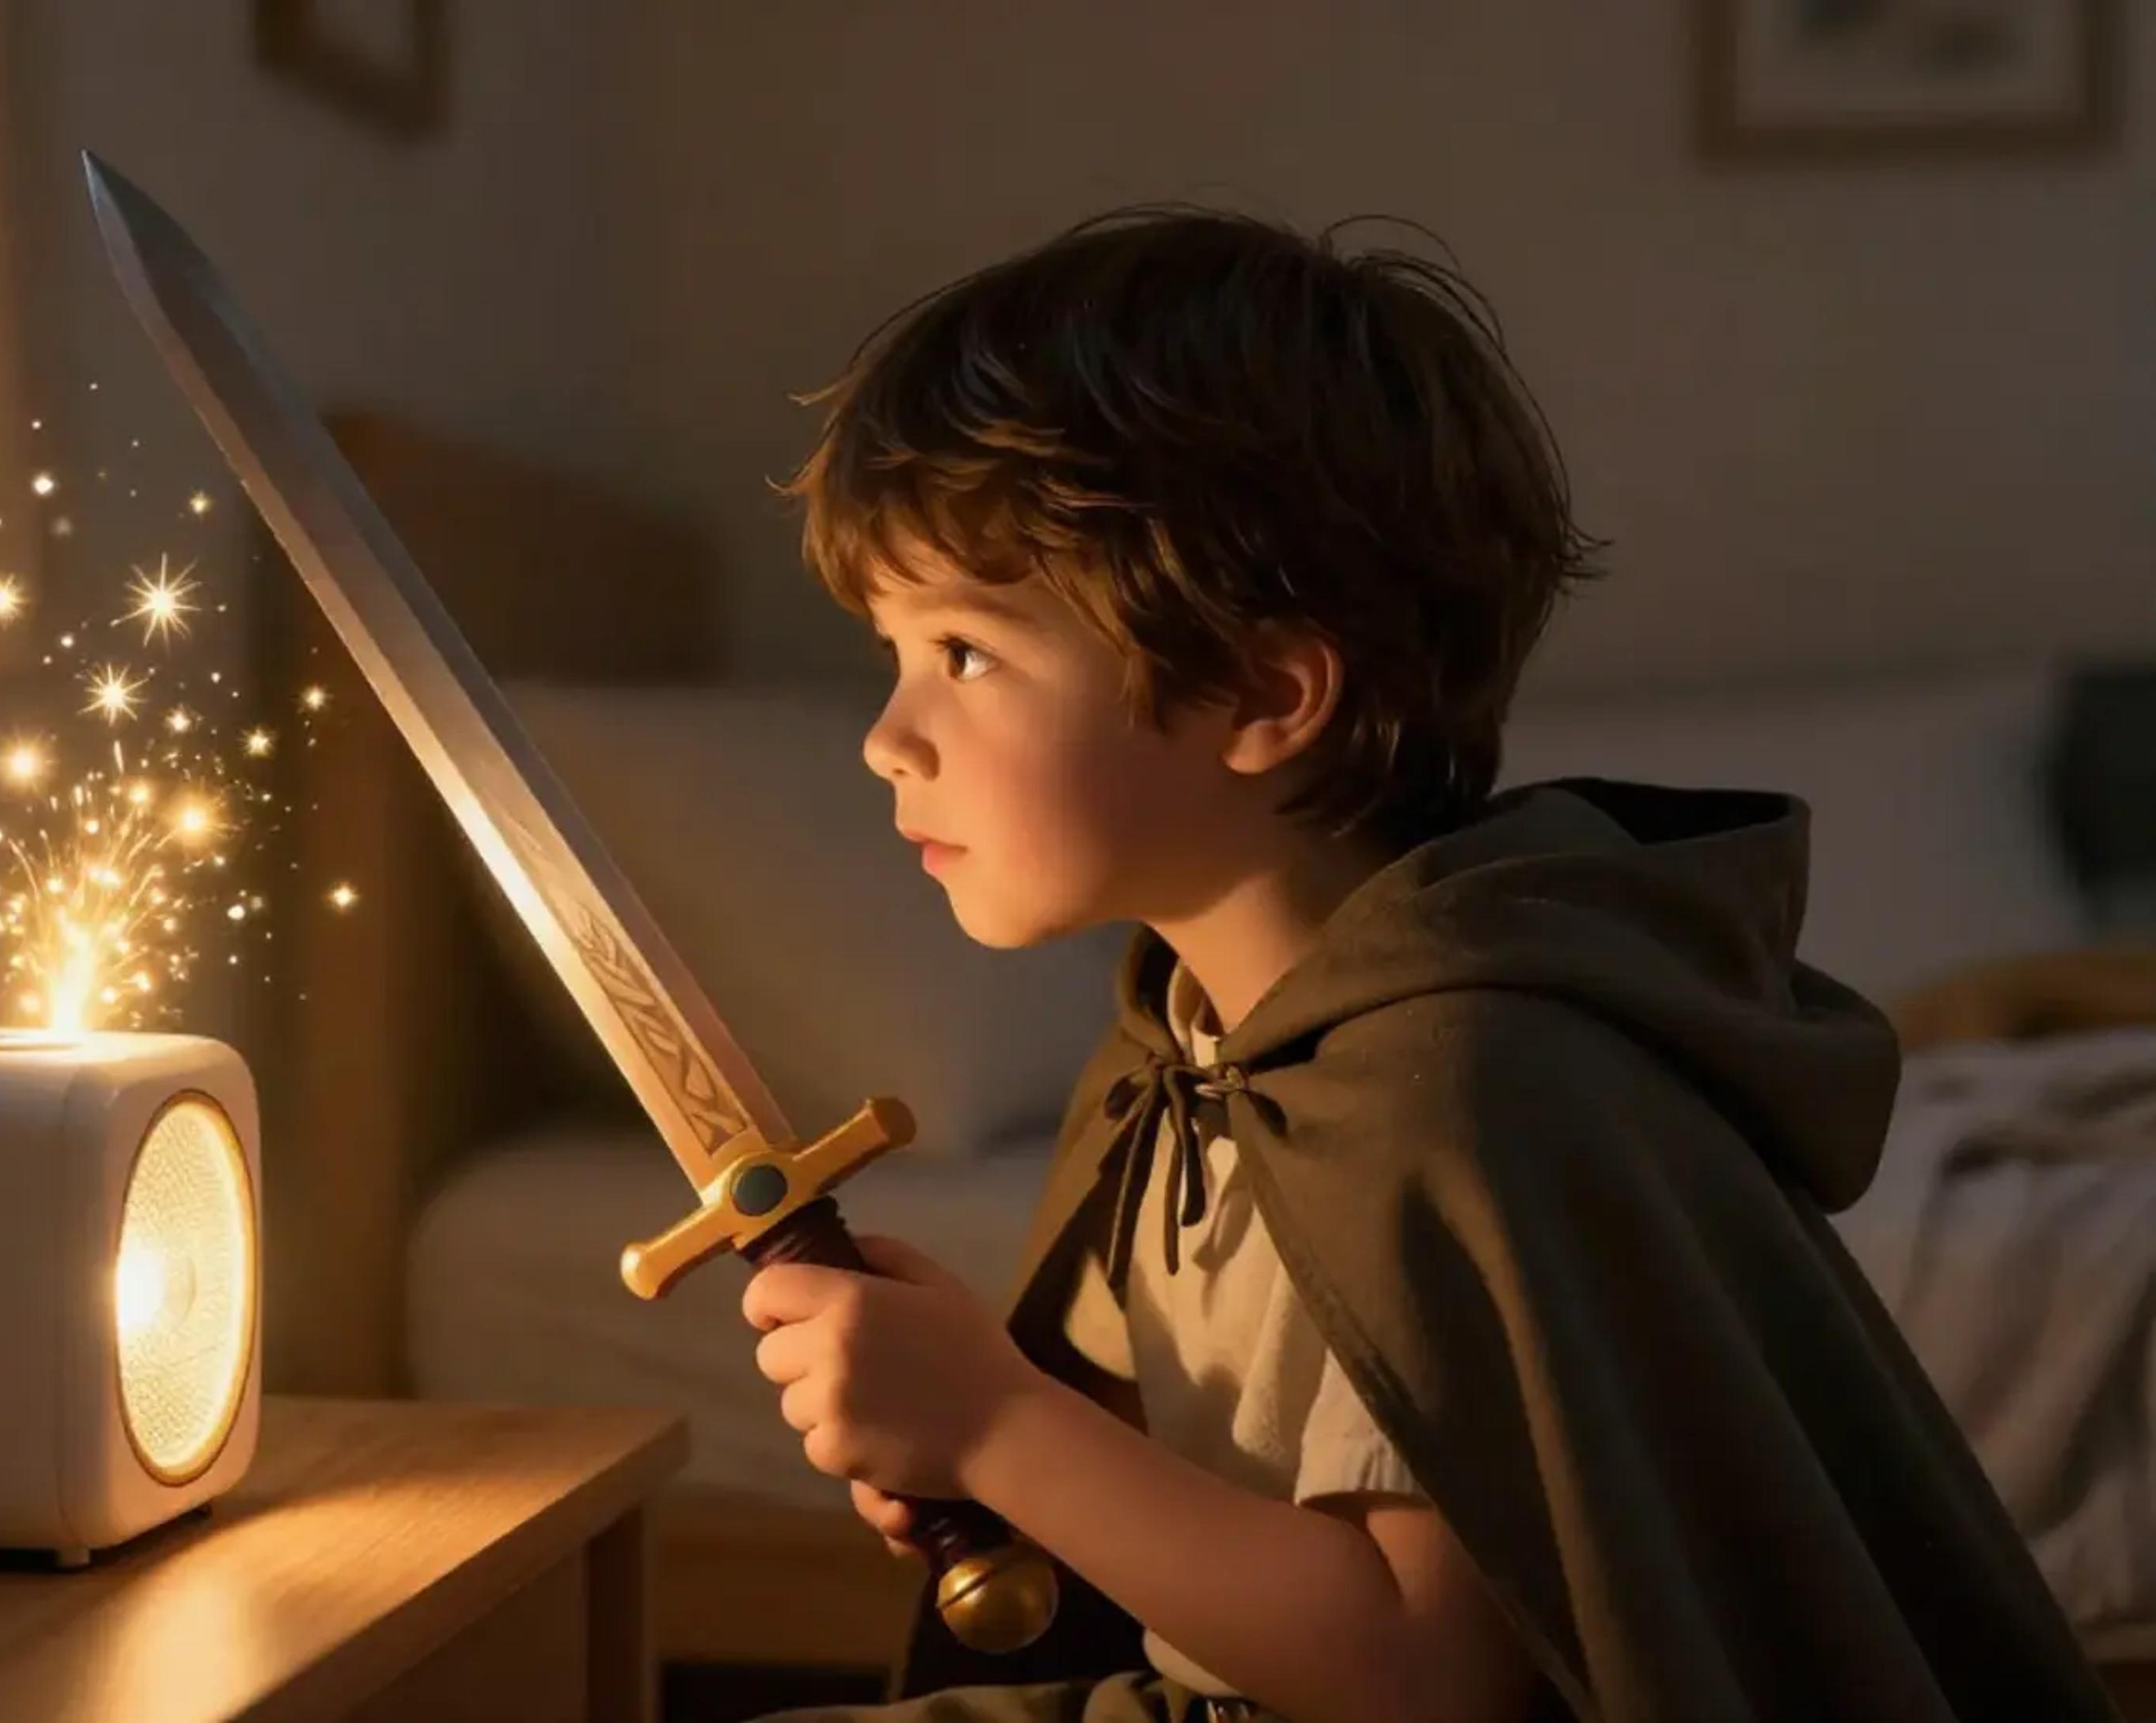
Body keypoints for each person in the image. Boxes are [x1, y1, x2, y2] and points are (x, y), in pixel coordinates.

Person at [735, 206, 2116, 1723]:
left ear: (1265, 693)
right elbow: (1158, 1502)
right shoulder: (1191, 1054)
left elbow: (1427, 1671)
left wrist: (996, 1428)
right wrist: (981, 1457)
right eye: (890, 654)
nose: (887, 739)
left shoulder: (1459, 1088)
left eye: (965, 654)